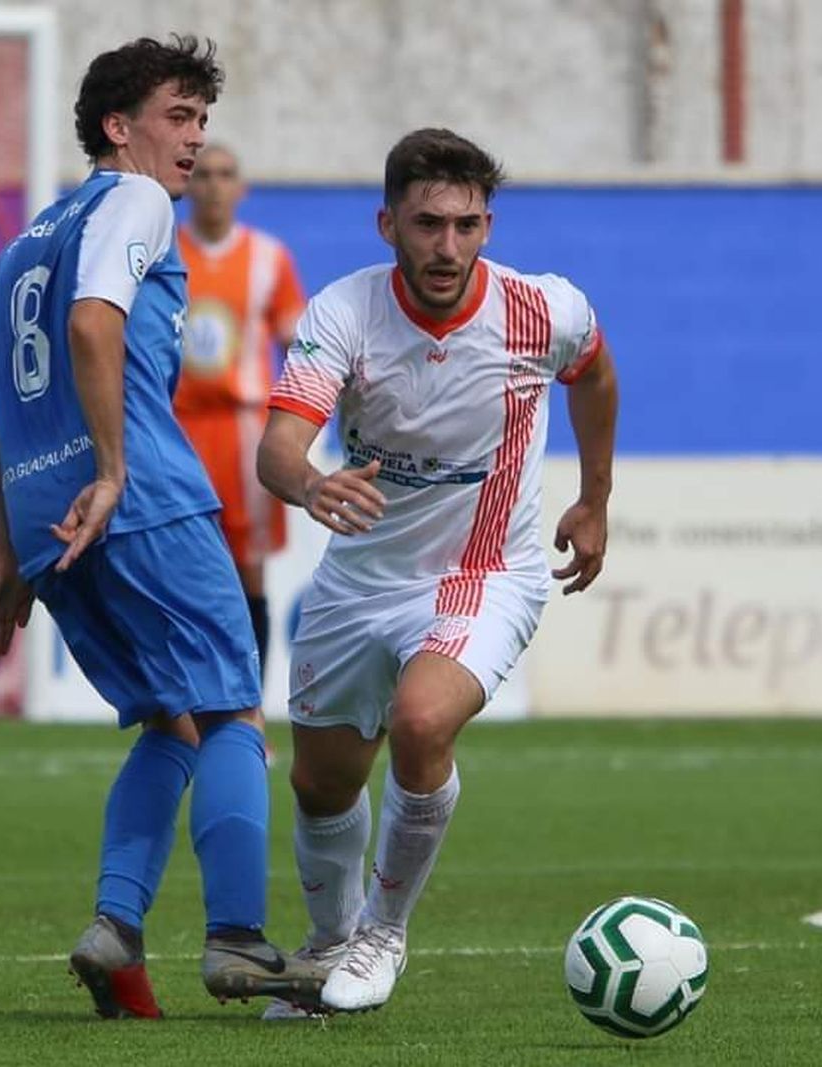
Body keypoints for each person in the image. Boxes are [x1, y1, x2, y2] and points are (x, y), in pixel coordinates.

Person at [0, 35, 322, 1020]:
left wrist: (3, 554)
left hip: (46, 524)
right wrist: (116, 470)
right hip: (141, 497)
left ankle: (115, 929)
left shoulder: (28, 236)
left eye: (202, 120)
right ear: (119, 127)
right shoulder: (135, 200)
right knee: (236, 706)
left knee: (172, 718)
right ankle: (238, 935)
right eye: (177, 116)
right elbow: (91, 324)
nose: (194, 140)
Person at [257, 127, 618, 1015]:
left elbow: (597, 376)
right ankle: (330, 947)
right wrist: (309, 482)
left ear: (489, 225)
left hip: (483, 572)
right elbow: (277, 448)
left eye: (465, 224)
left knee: (421, 724)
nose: (447, 246)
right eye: (427, 224)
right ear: (388, 224)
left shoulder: (545, 309)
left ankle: (382, 932)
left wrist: (595, 498)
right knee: (320, 782)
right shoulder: (343, 313)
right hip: (359, 578)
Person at [176, 144, 306, 678]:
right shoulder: (160, 255)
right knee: (180, 572)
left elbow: (299, 343)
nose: (212, 185)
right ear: (188, 185)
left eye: (225, 175)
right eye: (202, 174)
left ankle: (247, 711)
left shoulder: (268, 258)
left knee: (247, 572)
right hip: (176, 429)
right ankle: (186, 713)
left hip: (244, 431)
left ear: (240, 188)